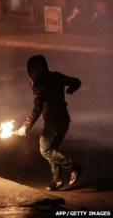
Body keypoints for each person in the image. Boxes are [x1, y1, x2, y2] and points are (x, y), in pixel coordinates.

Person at [16, 55, 82, 191]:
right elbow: (76, 81)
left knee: (45, 150)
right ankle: (56, 180)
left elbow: (37, 109)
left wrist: (26, 127)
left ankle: (73, 167)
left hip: (53, 123)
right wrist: (70, 90)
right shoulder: (56, 76)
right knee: (52, 149)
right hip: (64, 120)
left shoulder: (38, 86)